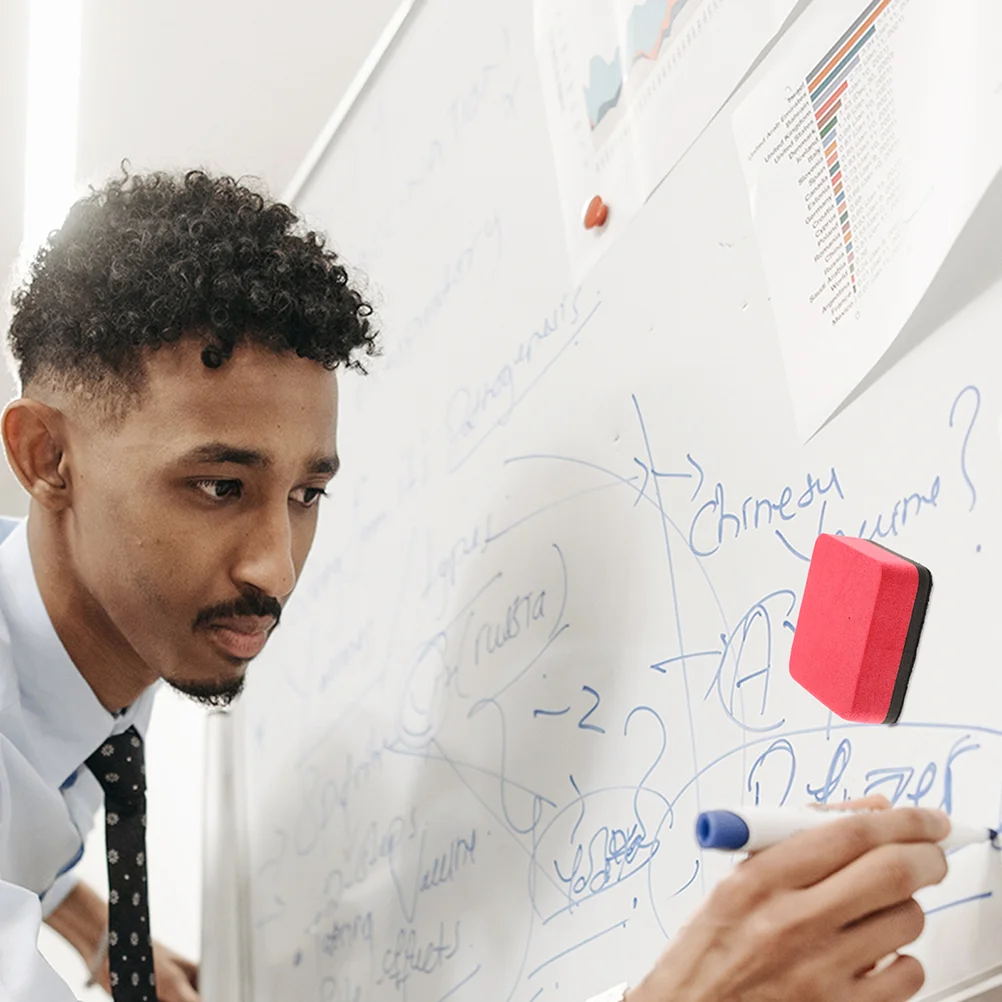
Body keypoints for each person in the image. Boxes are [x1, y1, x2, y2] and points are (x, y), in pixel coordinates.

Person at [0, 169, 949, 1002]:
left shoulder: (96, 633)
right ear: (47, 457)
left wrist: (86, 924)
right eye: (219, 487)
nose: (274, 568)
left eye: (305, 494)